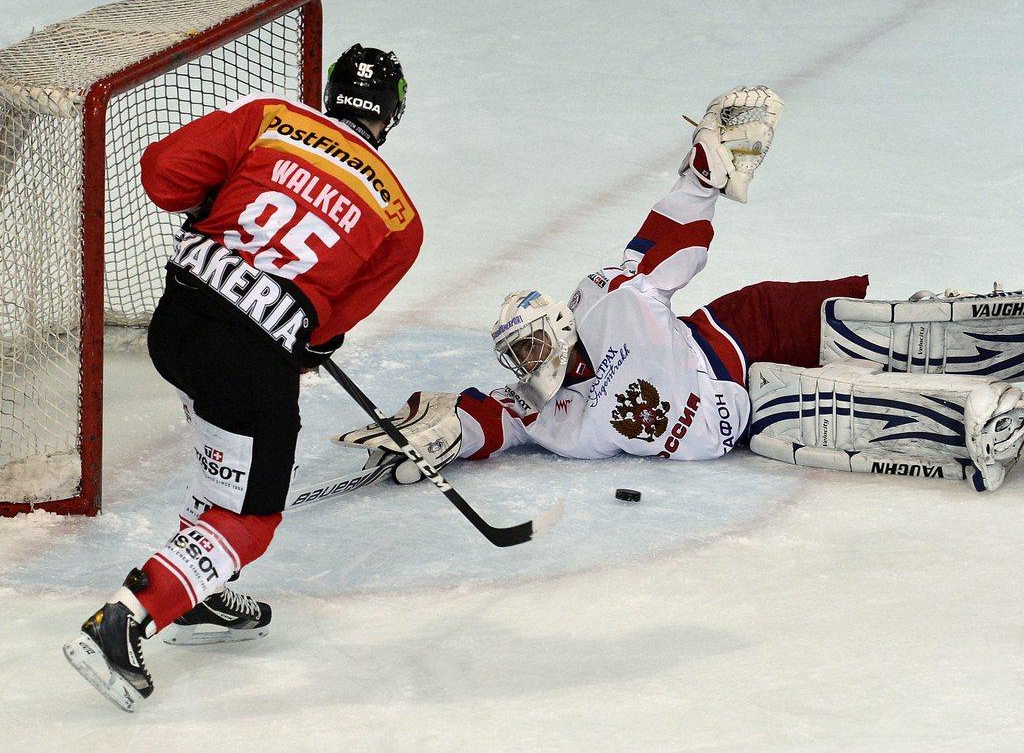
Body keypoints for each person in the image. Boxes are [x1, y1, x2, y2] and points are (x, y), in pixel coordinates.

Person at [339, 86, 1024, 495]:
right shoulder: (552, 412)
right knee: (813, 412)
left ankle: (962, 334)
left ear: (560, 322)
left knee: (840, 317)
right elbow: (496, 418)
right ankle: (965, 414)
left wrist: (702, 178)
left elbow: (659, 251)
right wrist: (451, 428)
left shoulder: (605, 303)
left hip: (733, 338)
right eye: (519, 355)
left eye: (535, 341)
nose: (532, 361)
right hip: (750, 417)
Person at [63, 44, 423, 712]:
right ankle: (128, 613)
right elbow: (322, 332)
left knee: (221, 459)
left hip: (177, 323)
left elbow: (162, 173)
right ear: (393, 113)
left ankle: (194, 593)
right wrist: (298, 330)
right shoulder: (401, 219)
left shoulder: (271, 117)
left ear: (331, 90)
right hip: (247, 357)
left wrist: (213, 204)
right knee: (252, 519)